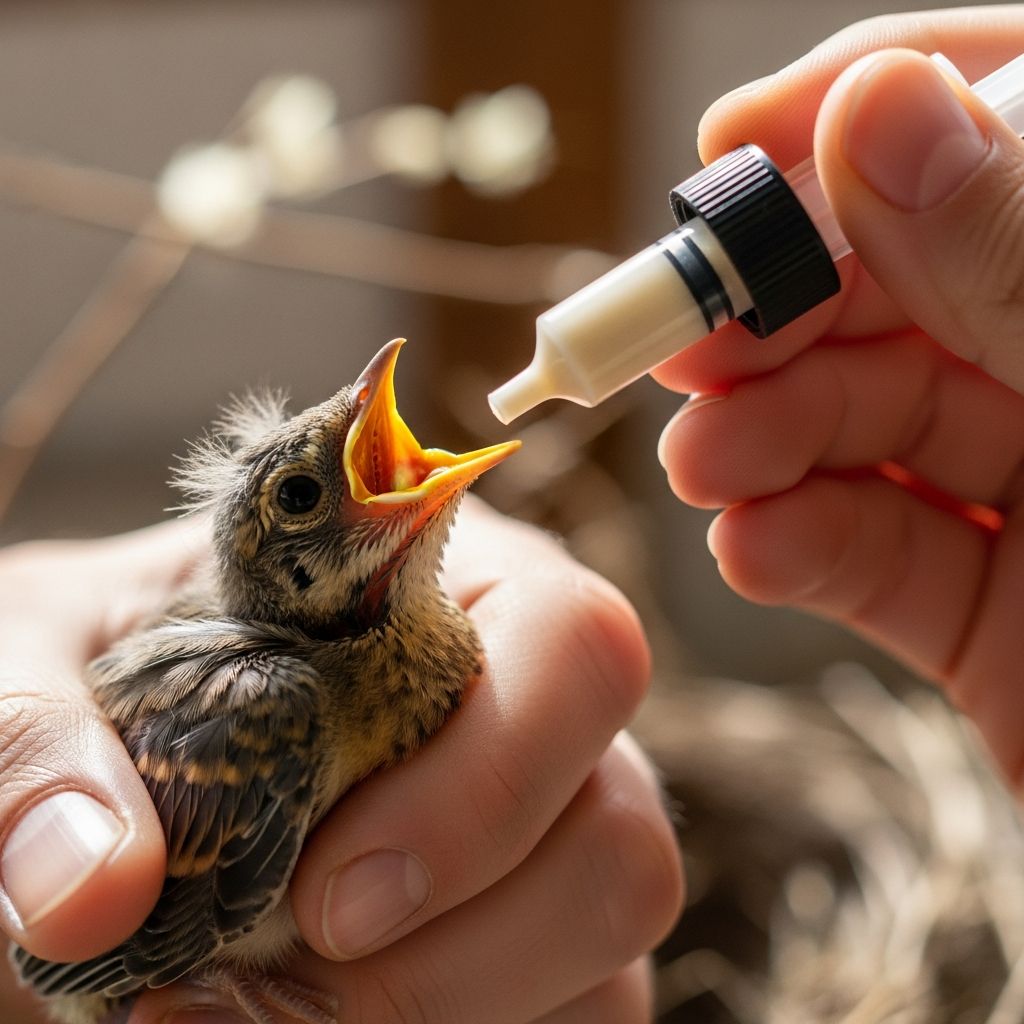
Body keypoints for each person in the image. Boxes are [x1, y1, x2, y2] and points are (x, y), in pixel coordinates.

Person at [0, 7, 1022, 1023]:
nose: (369, 394)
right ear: (285, 581)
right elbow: (81, 960)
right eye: (304, 497)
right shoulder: (271, 706)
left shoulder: (425, 658)